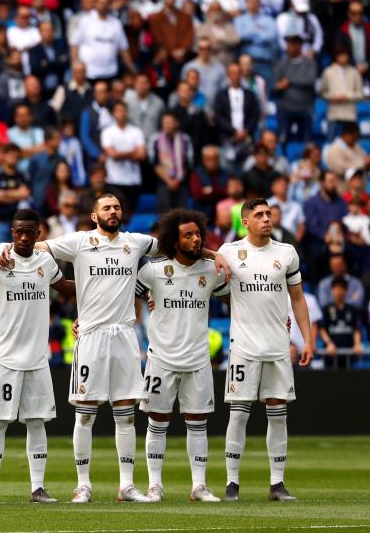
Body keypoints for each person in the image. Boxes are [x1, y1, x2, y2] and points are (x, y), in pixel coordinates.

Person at [15, 193, 228, 503]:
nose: (113, 211)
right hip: (91, 335)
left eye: (116, 206)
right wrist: (5, 252)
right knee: (85, 414)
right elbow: (35, 246)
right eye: (106, 207)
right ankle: (82, 485)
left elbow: (175, 243)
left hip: (125, 336)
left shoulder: (136, 242)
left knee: (125, 414)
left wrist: (214, 255)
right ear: (94, 215)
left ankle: (126, 485)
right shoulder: (79, 242)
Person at [0, 208, 72, 503]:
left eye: (29, 232)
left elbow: (64, 288)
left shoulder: (46, 262)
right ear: (12, 233)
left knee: (37, 422)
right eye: (18, 232)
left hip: (37, 358)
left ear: (39, 235)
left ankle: (37, 487)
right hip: (3, 356)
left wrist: (107, 287)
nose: (24, 237)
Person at [217, 198, 314, 502]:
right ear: (245, 221)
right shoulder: (229, 252)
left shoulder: (286, 253)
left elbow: (297, 298)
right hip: (243, 346)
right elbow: (211, 286)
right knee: (239, 414)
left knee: (278, 413)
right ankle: (232, 483)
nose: (266, 219)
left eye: (268, 214)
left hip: (277, 346)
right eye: (258, 215)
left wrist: (307, 339)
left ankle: (277, 483)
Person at [135, 209, 225, 502]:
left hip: (198, 359)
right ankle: (154, 485)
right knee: (157, 421)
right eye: (188, 235)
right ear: (175, 241)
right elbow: (125, 296)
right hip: (161, 358)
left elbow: (237, 292)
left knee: (197, 423)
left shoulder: (211, 270)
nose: (196, 239)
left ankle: (199, 486)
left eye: (198, 233)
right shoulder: (153, 270)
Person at [0, 144, 31, 246]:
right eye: (10, 155)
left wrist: (3, 194)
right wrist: (16, 194)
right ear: (4, 156)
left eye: (15, 156)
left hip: (17, 224)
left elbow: (25, 194)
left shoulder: (22, 175)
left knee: (17, 257)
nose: (13, 158)